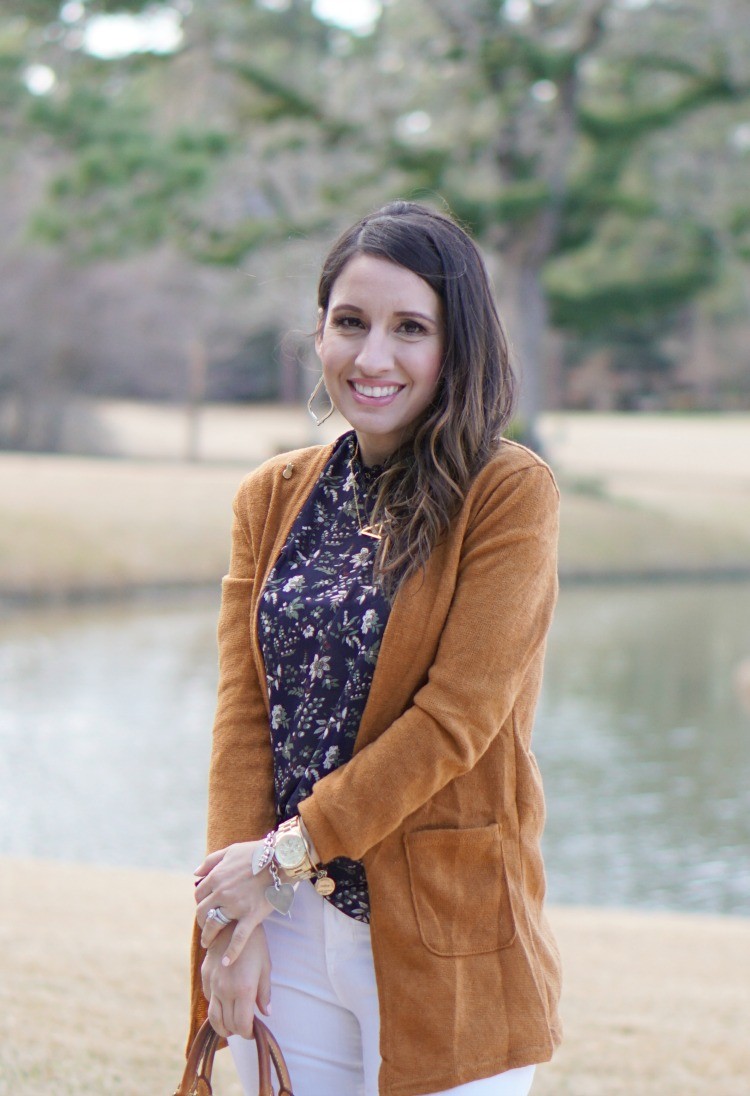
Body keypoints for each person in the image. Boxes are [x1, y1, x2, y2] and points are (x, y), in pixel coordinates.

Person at [189, 200, 562, 1096]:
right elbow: (246, 719)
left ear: (457, 345)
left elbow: (455, 721)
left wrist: (286, 850)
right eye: (350, 323)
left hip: (442, 927)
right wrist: (229, 930)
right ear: (318, 332)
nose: (373, 357)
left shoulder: (507, 494)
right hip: (282, 925)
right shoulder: (270, 496)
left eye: (410, 328)